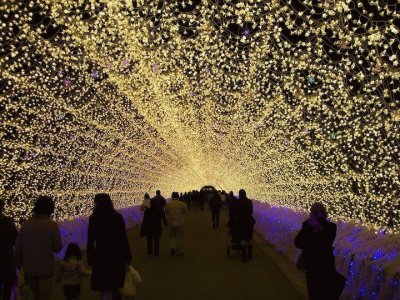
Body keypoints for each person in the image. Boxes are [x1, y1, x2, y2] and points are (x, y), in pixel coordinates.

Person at [15, 196, 63, 300]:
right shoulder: (51, 225)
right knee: (45, 296)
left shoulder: (26, 225)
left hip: (29, 267)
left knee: (34, 295)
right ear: (50, 209)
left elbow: (18, 246)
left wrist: (19, 262)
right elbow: (57, 247)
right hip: (45, 268)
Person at [87, 193, 132, 300]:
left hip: (101, 255)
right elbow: (123, 239)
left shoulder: (94, 218)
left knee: (104, 287)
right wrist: (128, 257)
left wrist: (90, 258)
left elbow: (90, 239)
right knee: (115, 286)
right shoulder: (117, 217)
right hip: (116, 255)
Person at [294, 202, 338, 300]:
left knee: (314, 292)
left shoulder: (329, 227)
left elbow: (298, 243)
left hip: (317, 264)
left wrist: (316, 227)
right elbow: (299, 242)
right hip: (323, 264)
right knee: (324, 293)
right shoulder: (330, 226)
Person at [0, 199, 18, 300]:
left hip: (6, 260)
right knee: (7, 288)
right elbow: (15, 239)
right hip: (6, 260)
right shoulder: (8, 222)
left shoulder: (8, 222)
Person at [231, 189, 254, 262]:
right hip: (249, 221)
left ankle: (244, 257)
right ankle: (250, 255)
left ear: (240, 194)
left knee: (242, 238)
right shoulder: (250, 201)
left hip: (240, 222)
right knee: (248, 238)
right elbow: (251, 211)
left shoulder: (237, 202)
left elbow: (234, 213)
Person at [165, 192, 188, 256]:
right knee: (180, 237)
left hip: (171, 222)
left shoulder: (168, 204)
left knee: (172, 237)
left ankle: (173, 247)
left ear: (172, 196)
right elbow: (186, 212)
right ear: (178, 196)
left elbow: (166, 212)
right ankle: (179, 251)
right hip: (180, 222)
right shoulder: (182, 204)